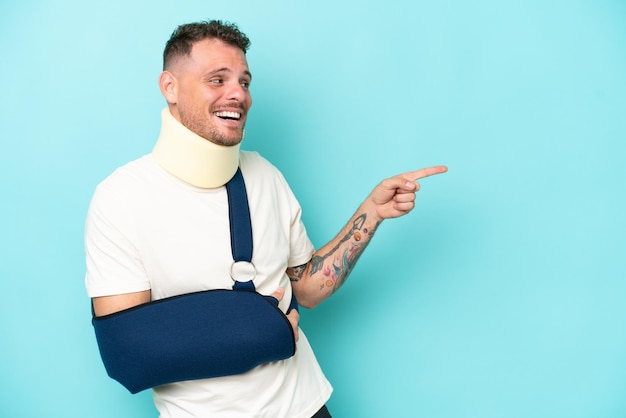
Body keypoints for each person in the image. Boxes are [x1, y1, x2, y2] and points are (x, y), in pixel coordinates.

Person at [85, 19, 447, 418]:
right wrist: (259, 334)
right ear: (170, 87)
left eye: (244, 81)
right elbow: (129, 353)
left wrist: (372, 213)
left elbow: (305, 290)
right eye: (217, 80)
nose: (237, 94)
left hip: (307, 407)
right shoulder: (121, 198)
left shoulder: (265, 175)